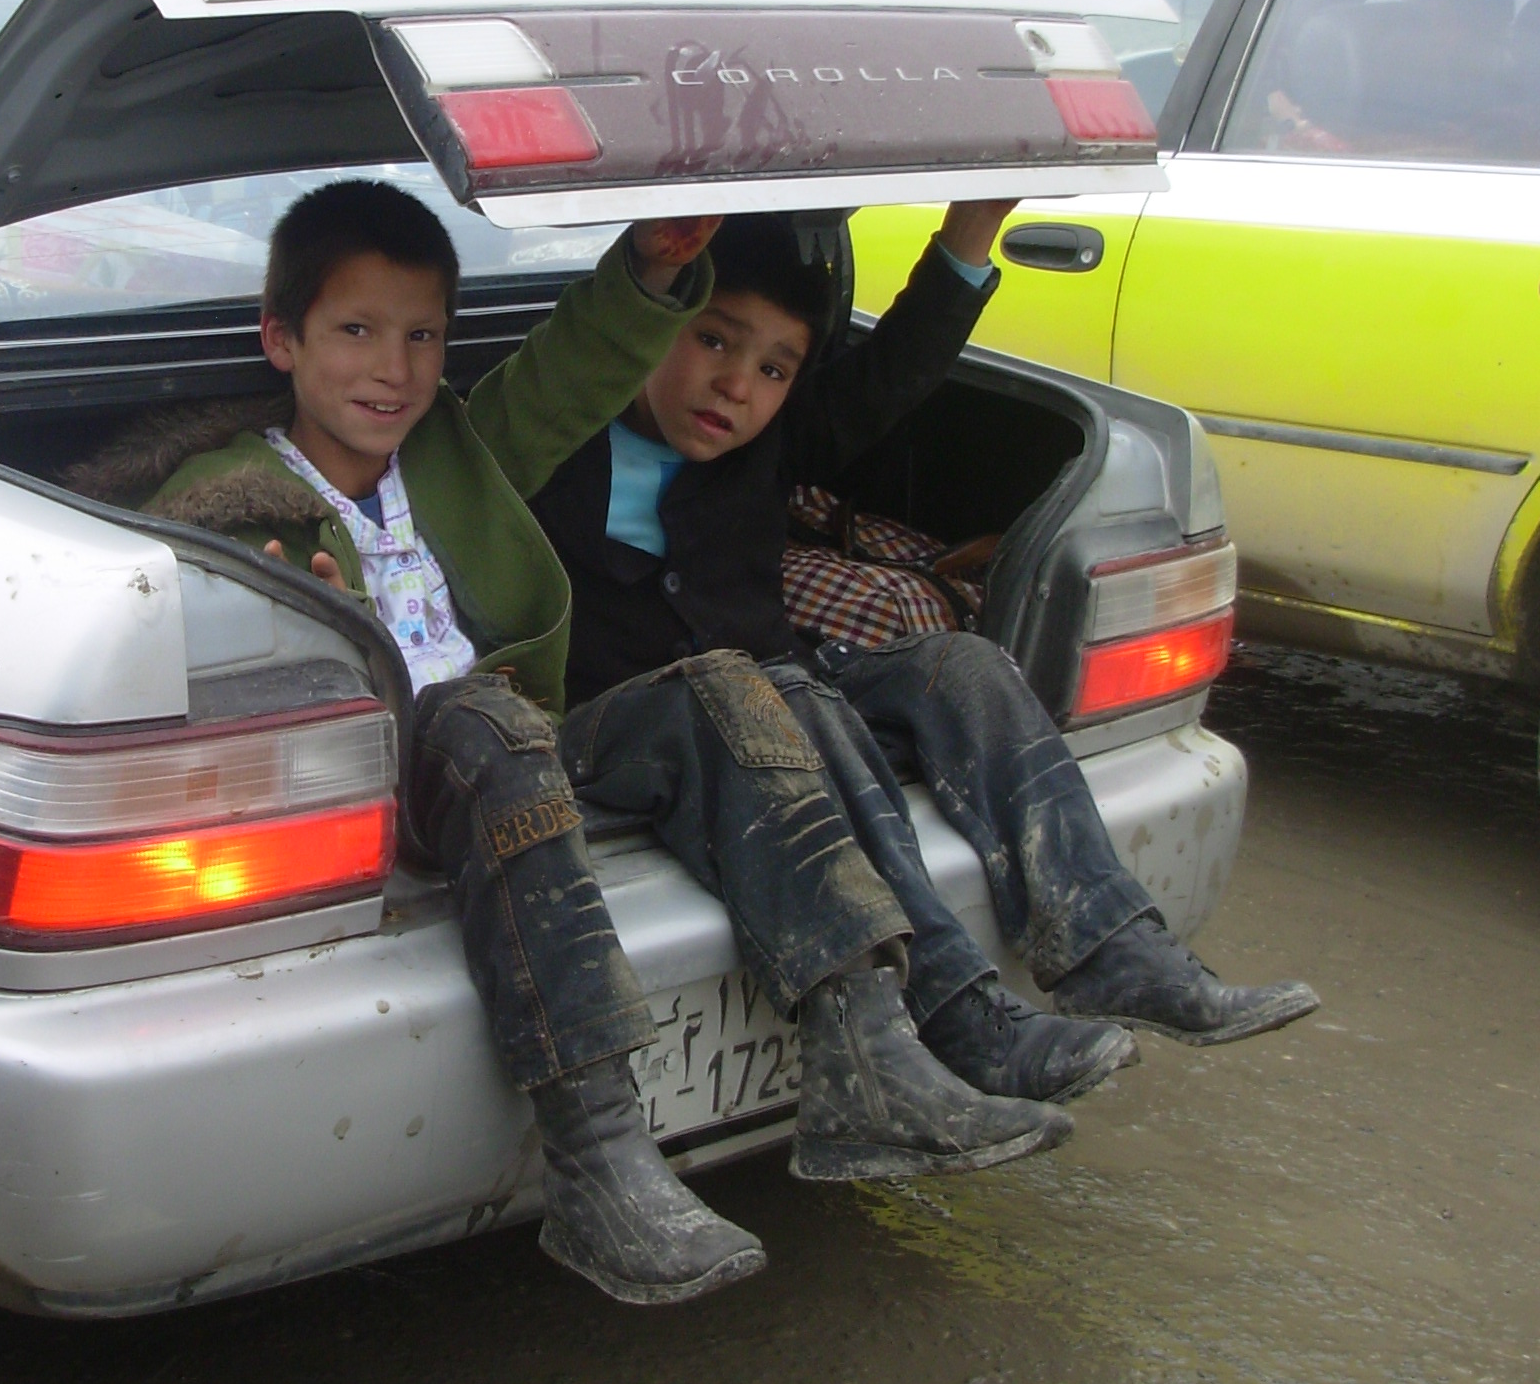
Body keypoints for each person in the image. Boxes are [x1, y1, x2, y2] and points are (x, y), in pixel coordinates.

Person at [136, 181, 1070, 1309]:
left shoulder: (453, 451)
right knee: (483, 717)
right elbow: (224, 655)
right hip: (399, 779)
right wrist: (317, 625)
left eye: (422, 337)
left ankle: (867, 1052)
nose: (394, 368)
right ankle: (599, 1164)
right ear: (280, 339)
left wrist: (658, 265)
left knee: (723, 684)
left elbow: (571, 368)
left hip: (526, 756)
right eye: (356, 332)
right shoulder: (228, 499)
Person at [527, 209, 1321, 1082]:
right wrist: (648, 272)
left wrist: (973, 229)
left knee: (959, 664)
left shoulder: (769, 446)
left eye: (773, 369)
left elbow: (894, 372)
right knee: (786, 695)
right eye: (712, 341)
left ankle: (1114, 949)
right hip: (624, 738)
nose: (736, 386)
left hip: (785, 711)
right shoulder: (546, 438)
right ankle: (955, 1009)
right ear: (650, 327)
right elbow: (565, 364)